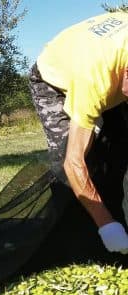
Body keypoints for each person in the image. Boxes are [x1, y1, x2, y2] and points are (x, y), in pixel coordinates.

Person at [29, 11, 128, 255]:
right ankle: (85, 237)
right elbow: (73, 162)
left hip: (105, 65)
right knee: (73, 161)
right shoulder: (95, 78)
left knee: (119, 149)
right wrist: (108, 227)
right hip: (54, 80)